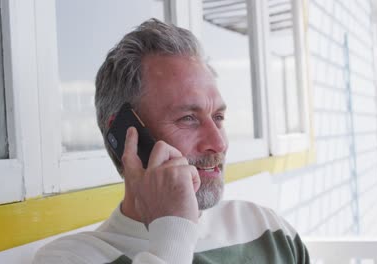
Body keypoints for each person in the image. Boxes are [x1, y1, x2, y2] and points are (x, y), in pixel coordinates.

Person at [33, 18, 310, 264]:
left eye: (219, 117)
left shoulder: (269, 230)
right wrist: (173, 234)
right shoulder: (70, 257)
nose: (219, 143)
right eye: (188, 118)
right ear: (126, 134)